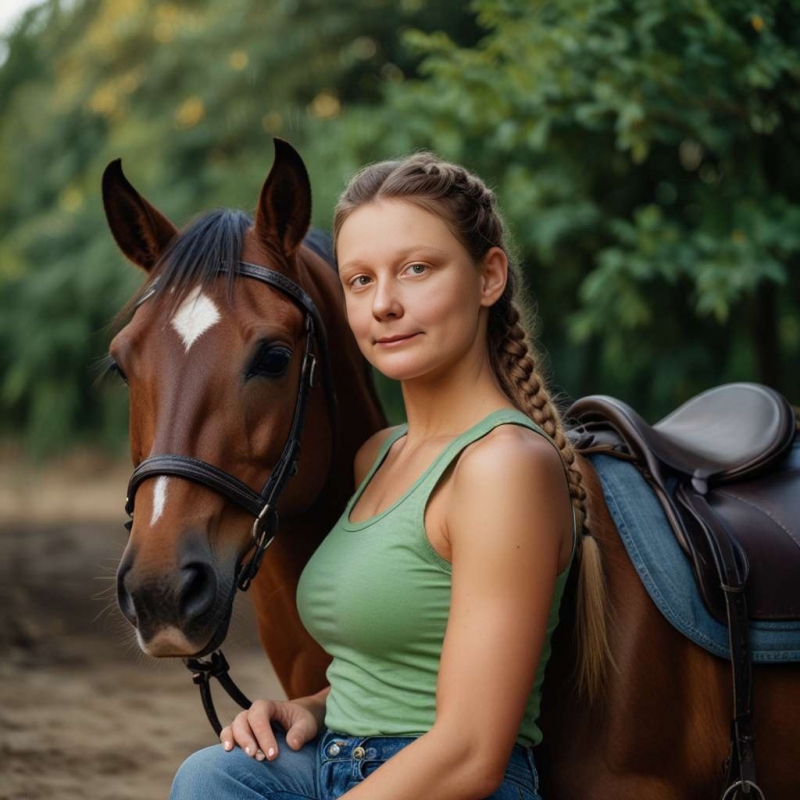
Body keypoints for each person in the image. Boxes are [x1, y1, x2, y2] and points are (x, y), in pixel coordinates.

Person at [170, 152, 593, 800]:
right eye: (360, 281)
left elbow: (471, 752)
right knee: (212, 776)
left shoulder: (503, 467)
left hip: (449, 784)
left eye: (416, 269)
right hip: (338, 761)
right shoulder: (377, 458)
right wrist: (308, 708)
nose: (385, 304)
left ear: (489, 277)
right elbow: (399, 667)